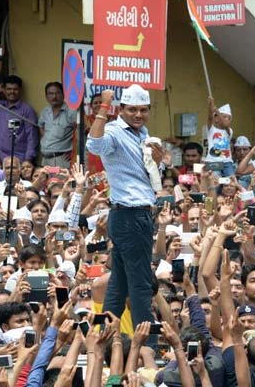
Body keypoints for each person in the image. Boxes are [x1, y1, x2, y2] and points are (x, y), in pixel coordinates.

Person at [86, 84, 164, 339]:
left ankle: (103, 337)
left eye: (143, 110)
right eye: (132, 110)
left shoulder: (143, 134)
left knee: (118, 286)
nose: (138, 115)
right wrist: (103, 108)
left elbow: (144, 175)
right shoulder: (114, 130)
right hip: (130, 214)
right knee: (140, 284)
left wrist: (158, 162)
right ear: (122, 109)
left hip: (131, 214)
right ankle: (148, 344)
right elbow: (94, 145)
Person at [0, 75, 39, 162]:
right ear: (4, 90)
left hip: (18, 159)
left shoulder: (27, 110)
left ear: (20, 90)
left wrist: (28, 160)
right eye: (8, 89)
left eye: (15, 89)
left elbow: (32, 137)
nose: (12, 92)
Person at [38, 81, 77, 168]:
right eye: (50, 94)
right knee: (45, 181)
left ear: (63, 95)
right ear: (46, 97)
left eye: (57, 93)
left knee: (59, 182)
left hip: (60, 160)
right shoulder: (45, 111)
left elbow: (80, 131)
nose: (54, 97)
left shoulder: (70, 111)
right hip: (45, 160)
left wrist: (75, 151)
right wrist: (49, 139)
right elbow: (40, 126)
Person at [206, 97, 235, 177]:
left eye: (229, 118)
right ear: (216, 119)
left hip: (227, 162)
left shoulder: (229, 131)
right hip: (212, 161)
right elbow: (209, 118)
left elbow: (225, 125)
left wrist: (217, 111)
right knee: (215, 182)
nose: (227, 119)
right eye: (224, 117)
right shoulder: (211, 130)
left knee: (231, 181)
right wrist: (210, 107)